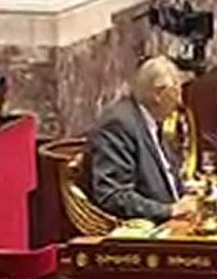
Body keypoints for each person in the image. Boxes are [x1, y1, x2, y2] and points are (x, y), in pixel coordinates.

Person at [85, 55, 198, 223]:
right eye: (176, 92)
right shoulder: (119, 125)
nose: (179, 101)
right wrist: (168, 210)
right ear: (158, 94)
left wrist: (185, 189)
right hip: (146, 234)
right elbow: (112, 195)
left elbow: (164, 177)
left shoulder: (152, 120)